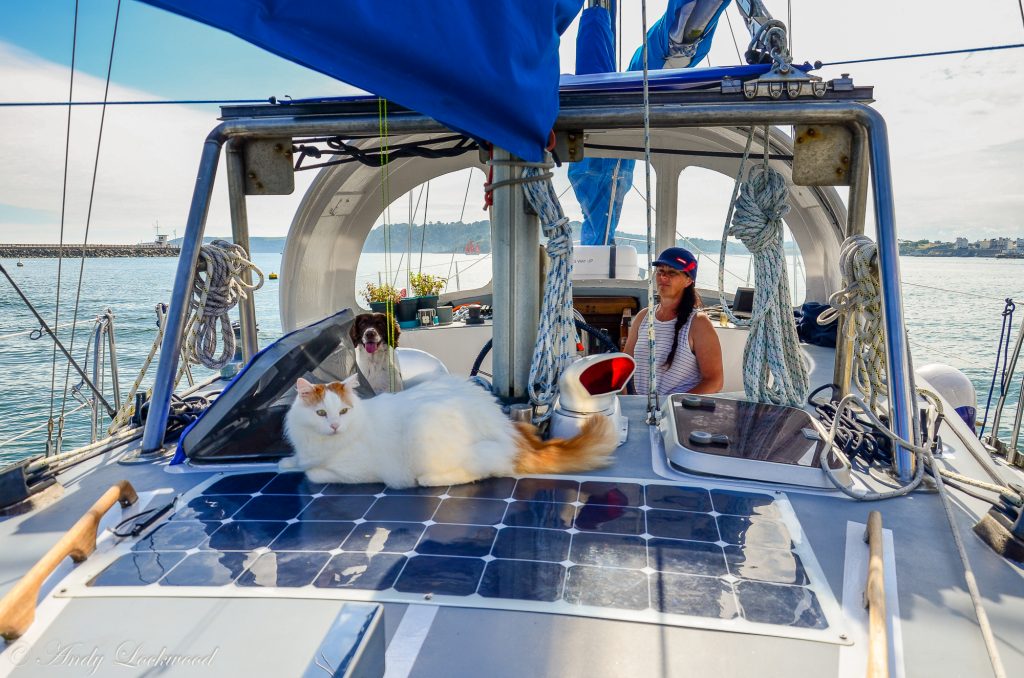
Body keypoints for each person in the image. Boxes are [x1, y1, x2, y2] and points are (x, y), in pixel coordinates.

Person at [624, 247, 724, 395]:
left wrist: (670, 406)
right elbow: (625, 367)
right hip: (642, 410)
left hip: (678, 413)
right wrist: (630, 405)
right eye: (660, 271)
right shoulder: (643, 317)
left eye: (672, 273)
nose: (663, 277)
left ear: (689, 280)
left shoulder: (698, 323)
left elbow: (715, 381)